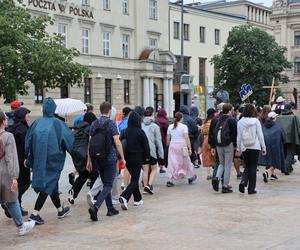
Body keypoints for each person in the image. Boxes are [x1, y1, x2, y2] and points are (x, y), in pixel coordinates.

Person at [25, 97, 74, 225]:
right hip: (53, 160)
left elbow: (28, 141)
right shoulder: (58, 123)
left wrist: (28, 157)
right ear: (53, 109)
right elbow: (69, 142)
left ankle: (60, 210)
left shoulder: (36, 123)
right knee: (47, 185)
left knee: (52, 184)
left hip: (39, 160)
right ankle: (35, 214)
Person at [88, 102, 126, 222]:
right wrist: (123, 157)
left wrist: (89, 159)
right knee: (109, 184)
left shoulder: (94, 123)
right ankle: (96, 207)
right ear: (109, 111)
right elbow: (117, 141)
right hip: (110, 157)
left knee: (105, 184)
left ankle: (110, 209)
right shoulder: (111, 123)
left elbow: (90, 143)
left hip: (97, 157)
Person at [0, 111, 35, 236]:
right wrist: (14, 177)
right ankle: (21, 226)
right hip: (4, 174)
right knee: (12, 199)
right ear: (3, 121)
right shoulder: (7, 136)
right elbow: (11, 158)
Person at [119, 111, 150, 210]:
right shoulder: (140, 132)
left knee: (134, 178)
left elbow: (121, 143)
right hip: (137, 158)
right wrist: (147, 157)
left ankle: (138, 199)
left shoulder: (124, 131)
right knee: (135, 180)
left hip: (127, 159)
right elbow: (146, 146)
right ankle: (124, 196)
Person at [68, 112, 98, 205]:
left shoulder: (77, 128)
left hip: (78, 156)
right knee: (94, 175)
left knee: (83, 176)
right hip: (88, 156)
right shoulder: (90, 128)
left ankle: (73, 192)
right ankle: (93, 196)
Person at [237, 104, 266, 195]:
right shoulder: (256, 121)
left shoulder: (240, 122)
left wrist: (238, 147)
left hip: (244, 146)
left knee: (247, 166)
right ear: (253, 111)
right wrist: (263, 147)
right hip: (255, 146)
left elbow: (239, 137)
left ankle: (243, 181)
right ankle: (251, 189)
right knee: (253, 167)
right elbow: (260, 135)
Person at [9, 107, 31, 216]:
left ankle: (16, 206)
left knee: (18, 184)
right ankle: (13, 203)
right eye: (27, 114)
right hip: (22, 162)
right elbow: (26, 145)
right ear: (23, 116)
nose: (28, 116)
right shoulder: (22, 129)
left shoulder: (13, 127)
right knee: (25, 183)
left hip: (14, 160)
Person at [166, 112, 197, 187]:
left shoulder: (170, 127)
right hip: (182, 146)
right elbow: (186, 138)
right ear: (182, 118)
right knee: (186, 160)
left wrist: (168, 146)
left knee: (172, 162)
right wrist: (189, 148)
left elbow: (167, 139)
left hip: (172, 145)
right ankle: (189, 177)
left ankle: (170, 179)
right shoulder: (184, 127)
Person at [212, 103, 237, 194]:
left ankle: (217, 178)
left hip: (218, 144)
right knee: (228, 165)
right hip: (228, 144)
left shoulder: (218, 119)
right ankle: (225, 186)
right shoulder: (231, 120)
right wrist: (236, 145)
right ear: (230, 111)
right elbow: (234, 134)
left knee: (221, 163)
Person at [142, 106, 164, 195]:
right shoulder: (155, 126)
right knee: (154, 168)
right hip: (152, 150)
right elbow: (158, 141)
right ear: (153, 114)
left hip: (143, 151)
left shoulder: (141, 125)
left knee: (145, 170)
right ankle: (149, 185)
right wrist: (161, 155)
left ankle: (144, 187)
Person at [259, 112, 285, 183]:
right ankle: (267, 172)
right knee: (275, 160)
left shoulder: (263, 125)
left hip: (265, 144)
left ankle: (273, 174)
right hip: (275, 145)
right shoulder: (278, 126)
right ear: (274, 118)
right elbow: (283, 136)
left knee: (269, 159)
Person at [276, 103, 300, 175]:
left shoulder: (279, 117)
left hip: (282, 138)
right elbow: (298, 128)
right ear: (290, 109)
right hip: (291, 138)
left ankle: (288, 167)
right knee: (290, 153)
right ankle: (286, 168)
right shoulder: (294, 117)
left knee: (285, 153)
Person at [200, 108, 216, 180]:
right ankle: (215, 172)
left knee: (207, 156)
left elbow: (202, 132)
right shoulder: (214, 121)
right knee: (214, 156)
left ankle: (208, 173)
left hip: (206, 140)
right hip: (213, 139)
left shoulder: (205, 122)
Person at [155, 108, 169, 173]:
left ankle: (156, 165)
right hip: (163, 139)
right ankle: (161, 167)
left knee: (157, 152)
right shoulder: (165, 121)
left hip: (155, 139)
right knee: (162, 152)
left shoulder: (155, 120)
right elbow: (167, 131)